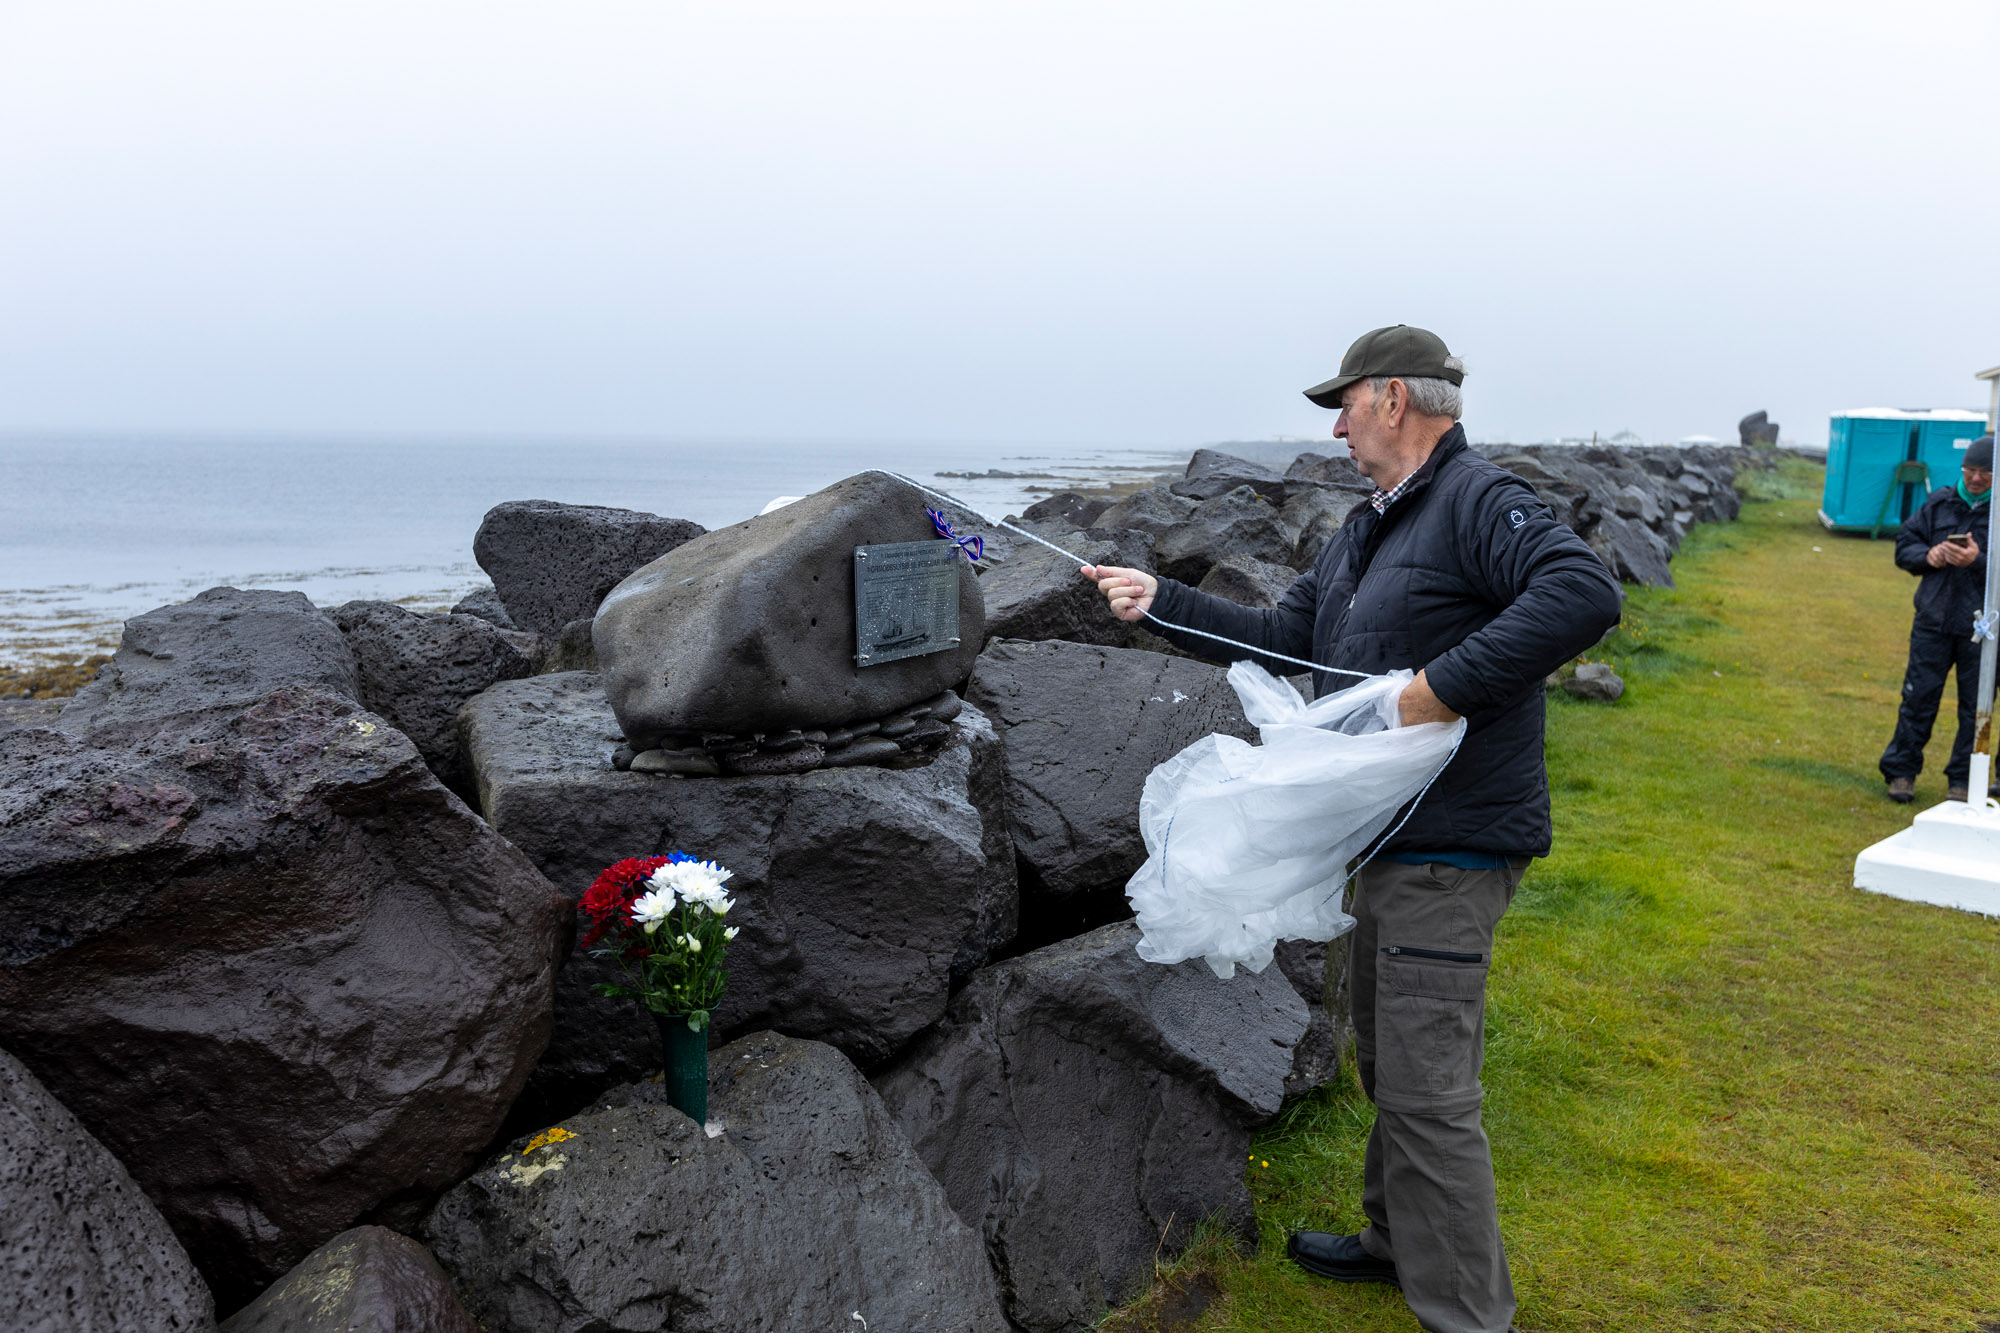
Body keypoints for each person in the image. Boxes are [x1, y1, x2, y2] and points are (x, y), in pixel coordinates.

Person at [1083, 325, 1622, 1333]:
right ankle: (1392, 1240)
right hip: (1386, 835)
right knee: (1387, 1056)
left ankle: (1467, 1314)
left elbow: (1582, 592)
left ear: (1390, 399)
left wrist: (1439, 687)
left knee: (1425, 1089)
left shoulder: (1475, 500)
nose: (1333, 427)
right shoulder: (1367, 525)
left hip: (1452, 841)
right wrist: (1159, 603)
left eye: (1342, 405)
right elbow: (1293, 642)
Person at [1879, 434, 1993, 804]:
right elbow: (1904, 546)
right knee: (1918, 699)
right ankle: (1901, 772)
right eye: (1970, 470)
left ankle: (1962, 782)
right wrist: (1929, 556)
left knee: (1976, 709)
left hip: (1984, 632)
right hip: (1933, 621)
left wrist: (1976, 561)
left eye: (1986, 473)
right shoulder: (1938, 503)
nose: (1976, 479)